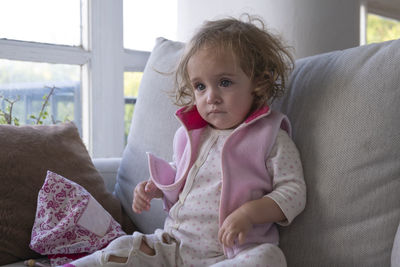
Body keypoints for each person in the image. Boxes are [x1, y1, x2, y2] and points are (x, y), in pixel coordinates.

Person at [65, 14, 306, 267]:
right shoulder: (190, 136)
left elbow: (294, 192)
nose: (211, 96)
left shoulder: (270, 137)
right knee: (126, 247)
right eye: (200, 86)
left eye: (224, 82)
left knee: (269, 258)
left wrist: (249, 213)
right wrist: (157, 187)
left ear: (258, 82)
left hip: (233, 252)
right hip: (174, 246)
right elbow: (180, 177)